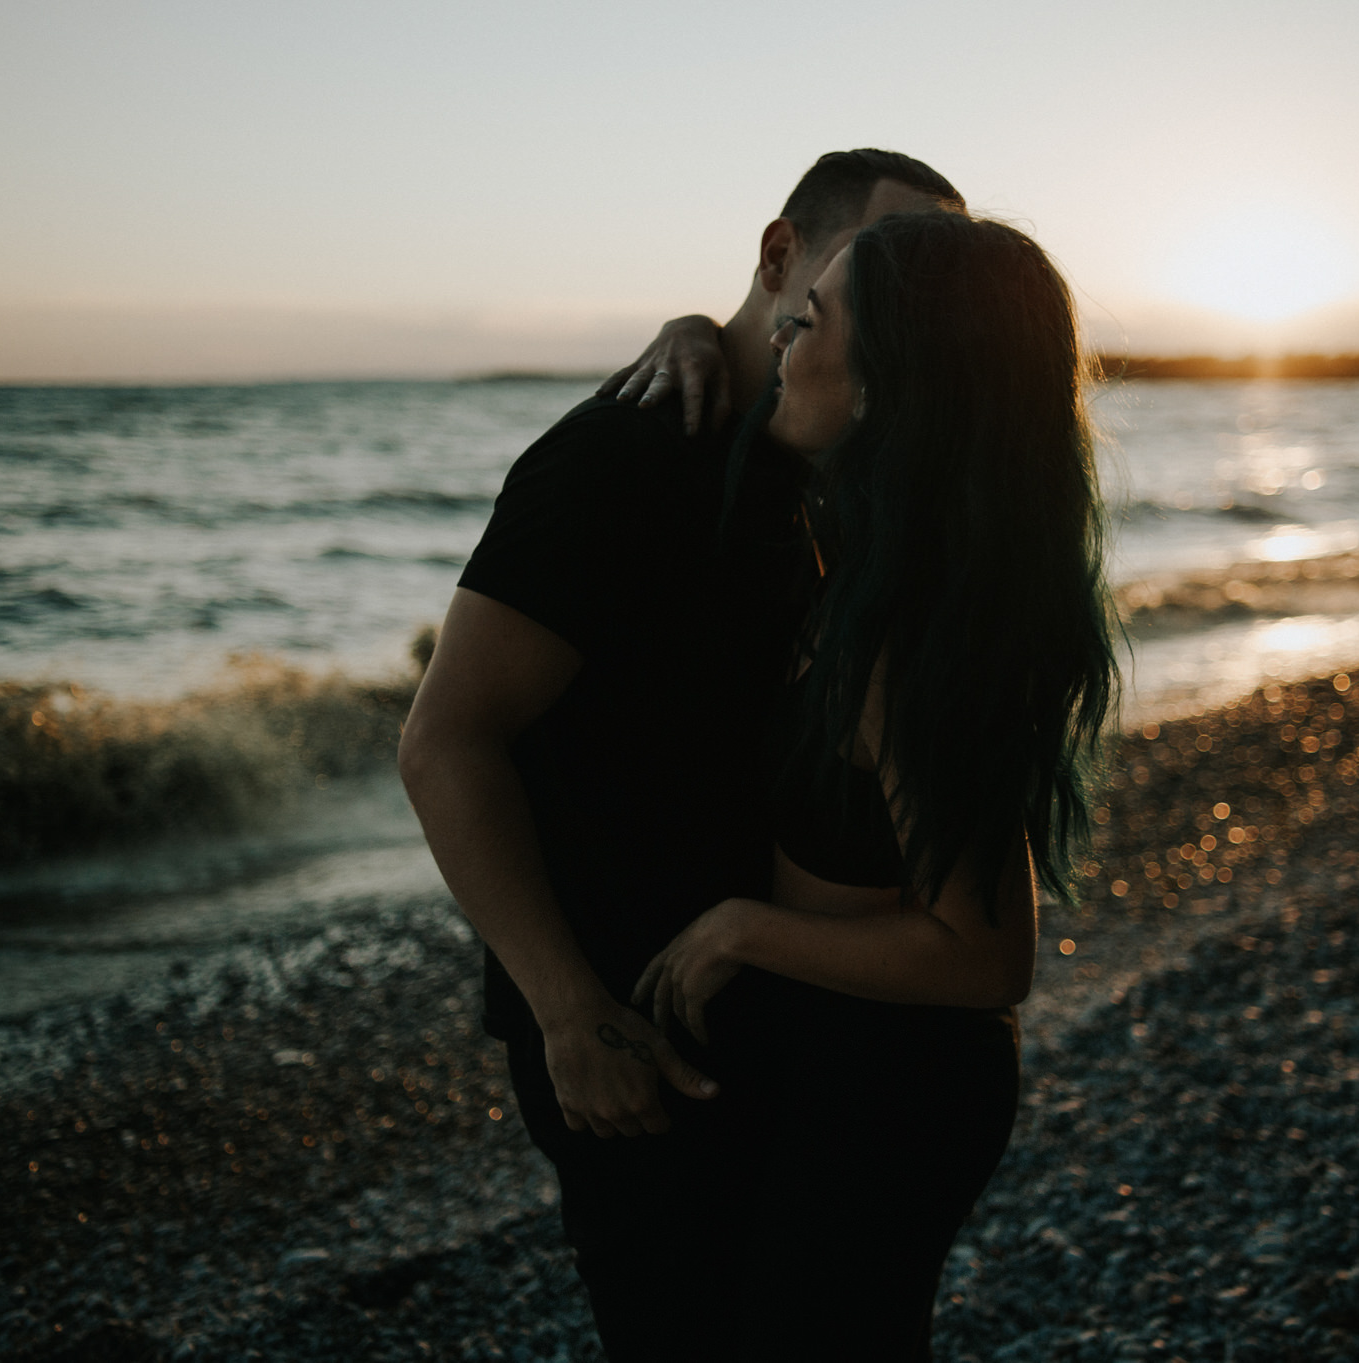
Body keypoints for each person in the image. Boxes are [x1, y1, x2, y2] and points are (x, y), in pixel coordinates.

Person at [398, 150, 968, 1362]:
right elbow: (446, 738)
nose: (909, 303)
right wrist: (565, 1010)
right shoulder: (623, 456)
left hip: (774, 1010)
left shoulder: (826, 462)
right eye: (882, 268)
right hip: (632, 1027)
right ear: (779, 258)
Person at [628, 210, 1117, 1360]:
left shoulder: (905, 631)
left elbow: (985, 954)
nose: (783, 343)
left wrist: (742, 929)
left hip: (888, 1090)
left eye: (809, 323)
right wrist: (690, 330)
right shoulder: (898, 560)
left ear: (899, 376)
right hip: (855, 1067)